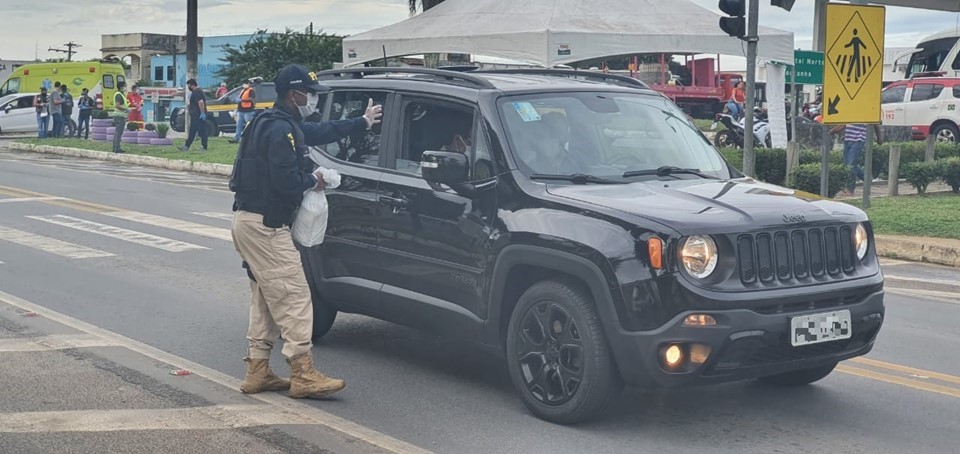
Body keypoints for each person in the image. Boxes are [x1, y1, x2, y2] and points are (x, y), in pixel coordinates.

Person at [228, 64, 382, 399]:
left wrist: (361, 122)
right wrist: (315, 179)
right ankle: (303, 372)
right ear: (294, 94)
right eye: (309, 94)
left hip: (251, 222)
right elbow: (285, 182)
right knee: (296, 295)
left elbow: (318, 131)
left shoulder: (277, 124)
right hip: (265, 226)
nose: (313, 100)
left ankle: (258, 371)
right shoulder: (278, 130)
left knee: (267, 298)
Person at [831, 123, 883, 196]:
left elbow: (875, 124)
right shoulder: (851, 113)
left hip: (858, 140)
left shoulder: (865, 114)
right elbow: (844, 124)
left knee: (850, 165)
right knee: (848, 164)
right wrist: (832, 131)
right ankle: (867, 178)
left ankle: (850, 189)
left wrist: (879, 137)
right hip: (848, 139)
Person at [179, 79, 209, 151]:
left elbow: (201, 102)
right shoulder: (198, 91)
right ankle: (187, 145)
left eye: (189, 86)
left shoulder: (196, 92)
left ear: (192, 85)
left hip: (198, 115)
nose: (188, 87)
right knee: (192, 131)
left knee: (202, 131)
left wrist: (202, 112)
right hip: (195, 115)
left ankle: (204, 146)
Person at [229, 79, 256, 144]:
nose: (244, 84)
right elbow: (239, 99)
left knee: (249, 126)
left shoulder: (251, 90)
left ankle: (252, 139)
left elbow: (251, 98)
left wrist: (242, 100)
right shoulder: (243, 90)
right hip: (240, 111)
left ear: (249, 83)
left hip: (248, 111)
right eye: (244, 83)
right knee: (238, 126)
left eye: (245, 83)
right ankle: (236, 139)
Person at [112, 82, 129, 153]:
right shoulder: (119, 95)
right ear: (121, 87)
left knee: (117, 132)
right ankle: (117, 148)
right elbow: (117, 105)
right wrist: (126, 109)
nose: (126, 88)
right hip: (119, 116)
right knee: (118, 132)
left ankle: (116, 147)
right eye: (125, 86)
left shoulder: (121, 94)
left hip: (120, 115)